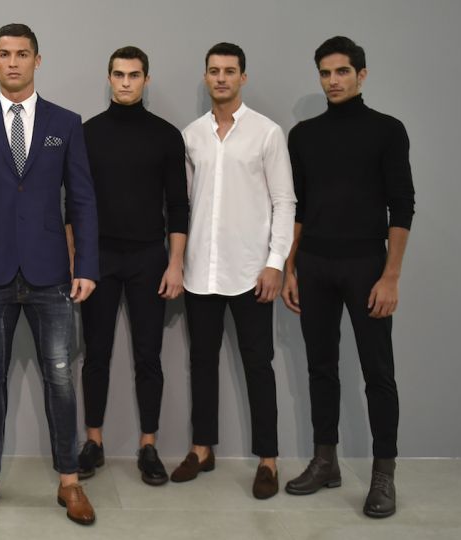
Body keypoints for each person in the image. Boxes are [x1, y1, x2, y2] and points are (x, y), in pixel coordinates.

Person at [0, 23, 99, 525]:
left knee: (61, 378)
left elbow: (83, 199)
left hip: (52, 272)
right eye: (4, 54)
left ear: (36, 60)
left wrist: (87, 265)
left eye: (22, 54)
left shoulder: (65, 123)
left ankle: (69, 481)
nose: (13, 62)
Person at [282, 36, 415, 519]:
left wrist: (391, 276)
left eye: (342, 71)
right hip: (314, 264)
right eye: (325, 73)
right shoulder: (303, 135)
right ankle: (326, 461)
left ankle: (384, 474)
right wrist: (290, 266)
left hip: (366, 265)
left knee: (378, 372)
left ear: (361, 74)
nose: (333, 81)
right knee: (321, 367)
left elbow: (402, 205)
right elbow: (297, 207)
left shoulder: (387, 130)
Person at [172, 42, 295, 499]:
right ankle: (202, 448)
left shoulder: (267, 133)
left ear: (243, 77)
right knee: (201, 362)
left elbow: (285, 202)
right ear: (205, 77)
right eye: (214, 71)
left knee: (258, 365)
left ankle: (268, 460)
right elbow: (185, 204)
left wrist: (275, 263)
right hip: (201, 271)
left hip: (251, 272)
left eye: (229, 71)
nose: (221, 78)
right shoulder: (191, 136)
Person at [75, 46, 188, 486]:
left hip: (148, 259)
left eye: (134, 75)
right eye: (119, 74)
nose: (126, 82)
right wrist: (77, 260)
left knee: (149, 356)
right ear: (109, 78)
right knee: (95, 353)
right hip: (98, 257)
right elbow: (73, 203)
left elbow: (178, 206)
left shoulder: (166, 136)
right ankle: (94, 442)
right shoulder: (87, 133)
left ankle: (148, 446)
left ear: (146, 79)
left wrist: (175, 264)